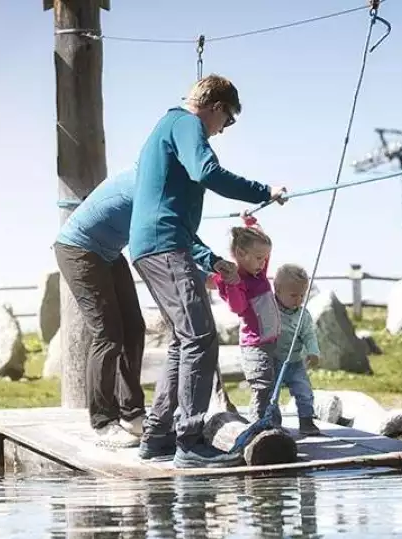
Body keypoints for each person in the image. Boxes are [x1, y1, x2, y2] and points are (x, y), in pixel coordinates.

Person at [128, 74, 287, 469]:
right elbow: (207, 172)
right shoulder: (185, 124)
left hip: (161, 244)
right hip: (164, 246)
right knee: (200, 337)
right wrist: (262, 191)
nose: (221, 130)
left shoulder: (166, 128)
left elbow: (169, 209)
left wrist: (210, 260)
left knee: (185, 341)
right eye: (227, 121)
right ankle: (191, 440)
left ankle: (158, 435)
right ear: (215, 106)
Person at [53, 166, 146, 448]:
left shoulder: (161, 179)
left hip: (108, 251)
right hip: (78, 249)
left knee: (133, 328)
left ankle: (132, 413)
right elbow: (156, 238)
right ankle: (104, 422)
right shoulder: (146, 182)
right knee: (108, 334)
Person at [211, 219, 283, 428]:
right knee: (262, 387)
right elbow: (237, 308)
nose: (264, 263)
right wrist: (232, 285)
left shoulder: (258, 273)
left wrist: (251, 223)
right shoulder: (237, 281)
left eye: (265, 258)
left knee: (272, 387)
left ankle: (273, 425)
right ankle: (258, 425)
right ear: (242, 255)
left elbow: (260, 248)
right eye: (260, 258)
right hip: (255, 345)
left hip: (271, 341)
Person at [272, 263, 321, 436]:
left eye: (302, 295)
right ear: (277, 290)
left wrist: (313, 352)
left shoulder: (303, 315)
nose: (299, 299)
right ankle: (273, 423)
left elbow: (309, 335)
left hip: (295, 362)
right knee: (271, 394)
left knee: (304, 391)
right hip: (273, 361)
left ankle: (306, 421)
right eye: (293, 295)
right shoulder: (270, 309)